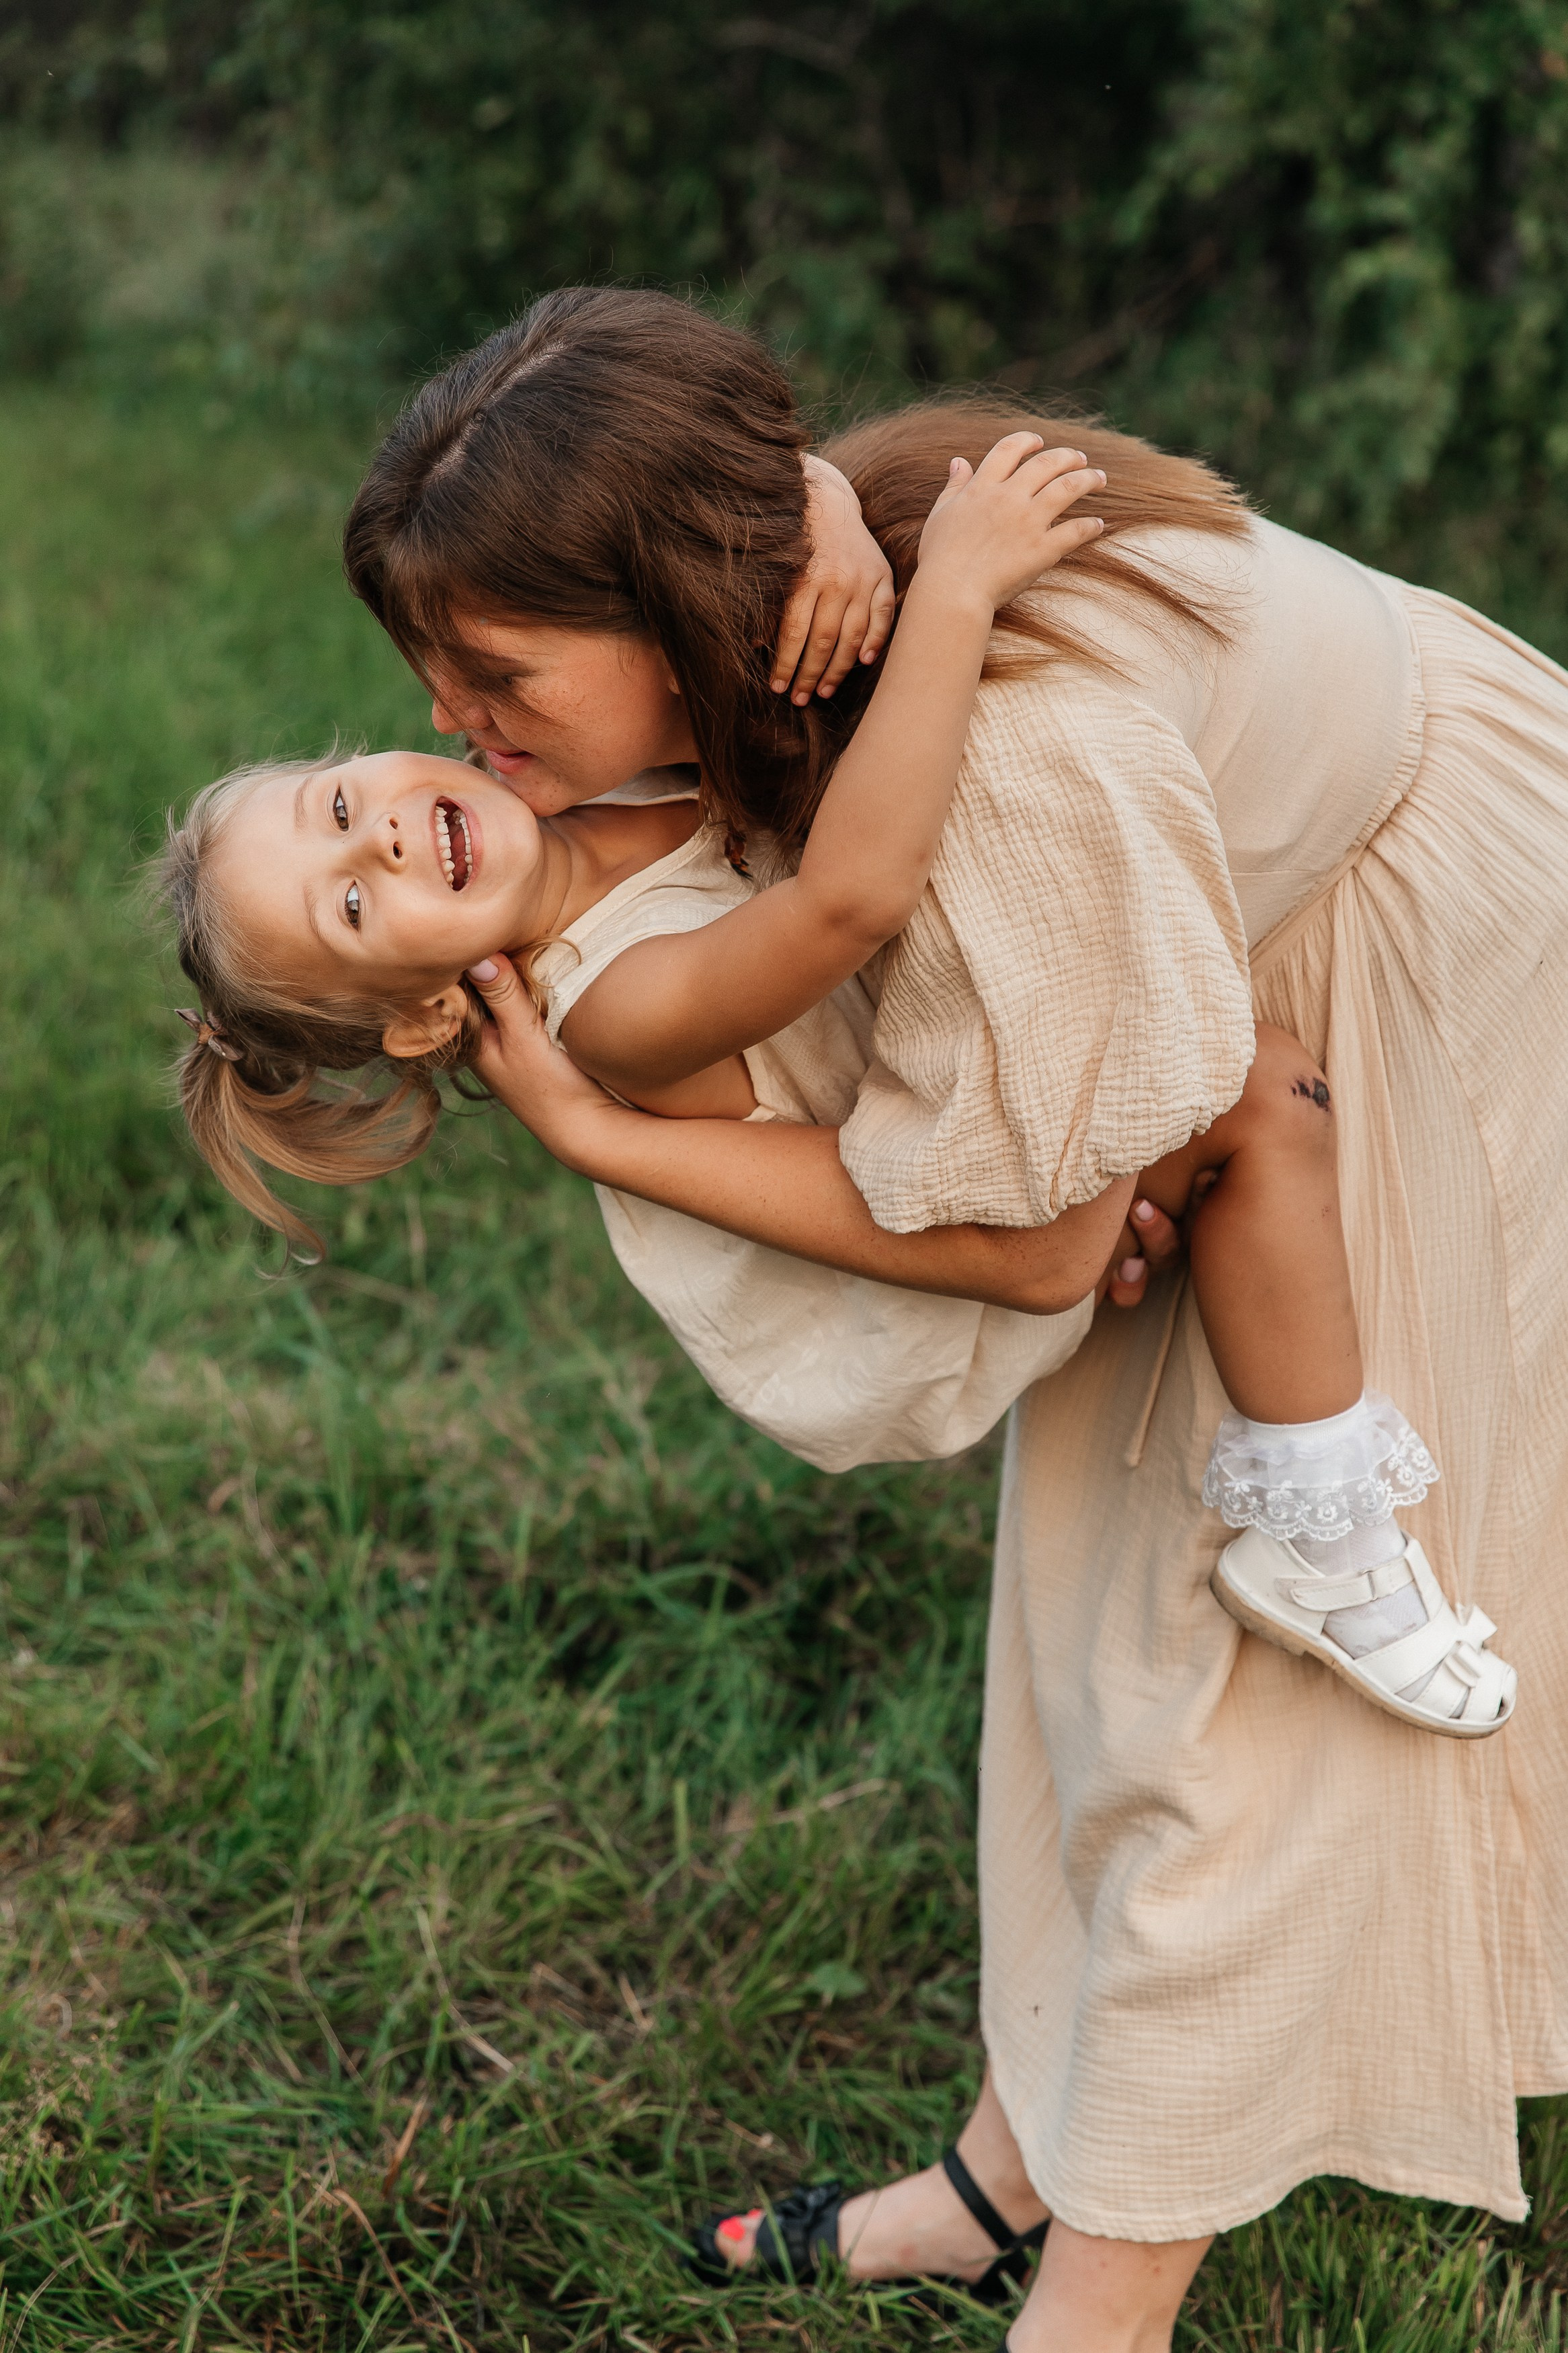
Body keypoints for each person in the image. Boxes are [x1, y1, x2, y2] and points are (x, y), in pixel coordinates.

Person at [326, 285, 1568, 2352]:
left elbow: (1034, 1249)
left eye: (496, 672)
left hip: (1417, 945)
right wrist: (805, 496)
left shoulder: (979, 758)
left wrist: (606, 1128)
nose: (456, 724)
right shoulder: (835, 619)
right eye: (428, 675)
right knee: (1098, 1620)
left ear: (678, 613)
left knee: (1219, 1675)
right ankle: (1016, 2176)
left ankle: (1094, 2299)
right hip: (1261, 975)